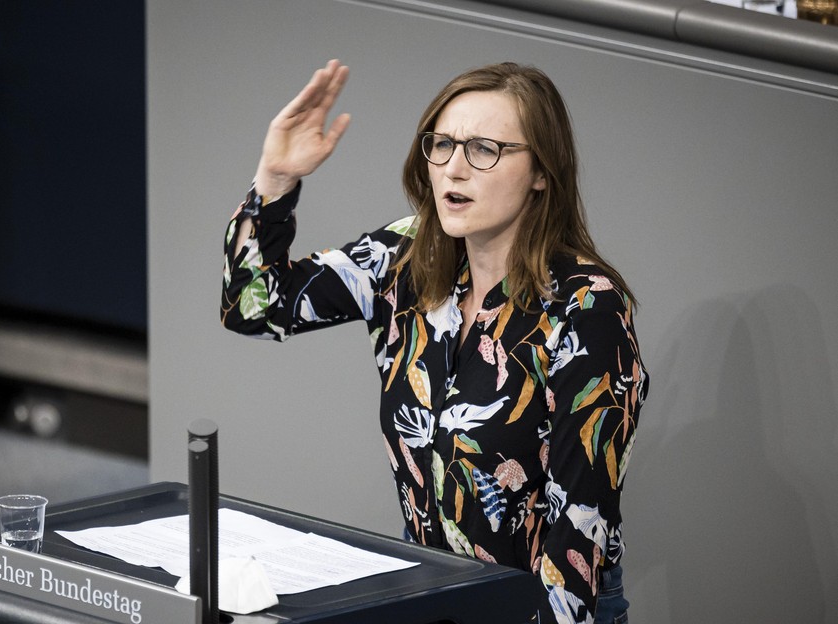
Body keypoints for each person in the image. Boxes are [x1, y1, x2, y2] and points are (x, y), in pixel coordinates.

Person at [221, 60, 648, 624]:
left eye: (484, 149)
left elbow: (577, 543)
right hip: (430, 588)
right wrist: (274, 181)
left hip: (537, 605)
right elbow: (255, 306)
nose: (453, 169)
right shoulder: (407, 257)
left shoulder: (586, 307)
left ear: (542, 171)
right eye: (441, 145)